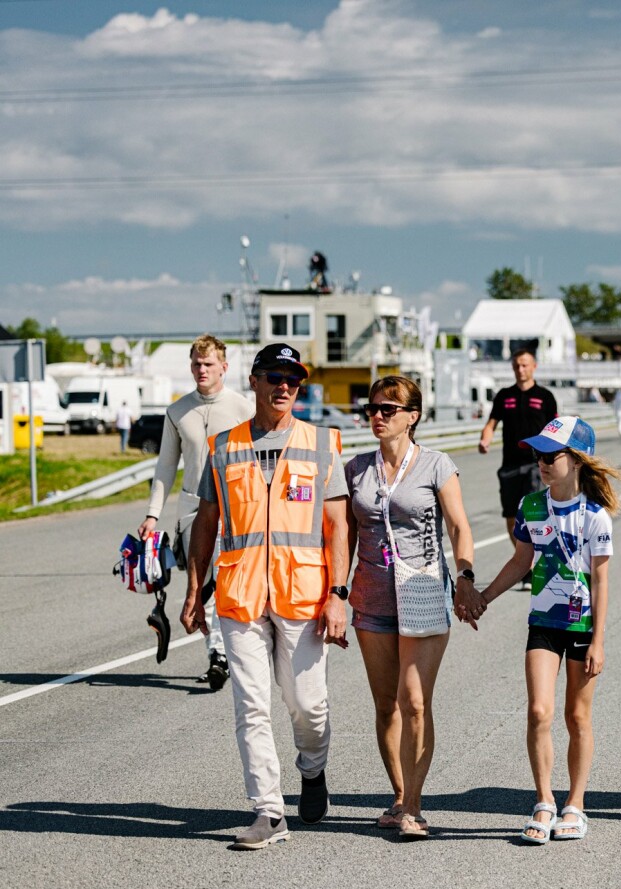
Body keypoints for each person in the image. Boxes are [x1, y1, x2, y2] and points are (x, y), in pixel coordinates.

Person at [180, 342, 350, 851]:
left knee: (307, 706)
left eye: (293, 380)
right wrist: (193, 590)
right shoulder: (224, 446)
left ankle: (313, 768)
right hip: (240, 595)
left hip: (303, 595)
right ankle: (269, 812)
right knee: (251, 706)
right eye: (274, 376)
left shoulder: (322, 444)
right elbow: (206, 525)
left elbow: (338, 526)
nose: (283, 386)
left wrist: (338, 594)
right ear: (253, 381)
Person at [345, 376, 487, 839]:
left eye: (389, 408)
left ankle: (414, 806)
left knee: (414, 702)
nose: (378, 416)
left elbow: (459, 526)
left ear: (413, 415)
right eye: (372, 408)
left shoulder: (435, 465)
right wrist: (333, 593)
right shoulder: (356, 469)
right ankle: (400, 793)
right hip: (371, 598)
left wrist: (464, 576)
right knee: (386, 705)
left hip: (423, 592)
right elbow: (342, 537)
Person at [480, 416, 621, 844]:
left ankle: (575, 805)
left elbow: (600, 580)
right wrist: (484, 597)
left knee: (576, 716)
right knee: (539, 711)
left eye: (550, 455)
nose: (541, 462)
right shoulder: (530, 506)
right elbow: (520, 563)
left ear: (576, 461)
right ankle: (544, 800)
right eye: (537, 454)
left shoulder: (596, 517)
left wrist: (598, 639)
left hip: (581, 626)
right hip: (542, 622)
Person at [137, 335, 255, 691]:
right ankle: (218, 654)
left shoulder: (243, 407)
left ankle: (220, 656)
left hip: (234, 508)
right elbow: (165, 467)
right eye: (196, 364)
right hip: (191, 508)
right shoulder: (177, 411)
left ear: (224, 367)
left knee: (223, 584)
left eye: (208, 364)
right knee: (201, 586)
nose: (201, 370)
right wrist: (152, 515)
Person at [478, 348, 559, 537]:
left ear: (534, 366)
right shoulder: (504, 395)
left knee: (533, 515)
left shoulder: (545, 396)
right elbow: (491, 425)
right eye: (516, 366)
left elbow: (555, 430)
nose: (520, 369)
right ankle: (523, 561)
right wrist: (485, 441)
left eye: (524, 365)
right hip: (510, 465)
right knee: (512, 517)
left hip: (536, 465)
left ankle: (534, 559)